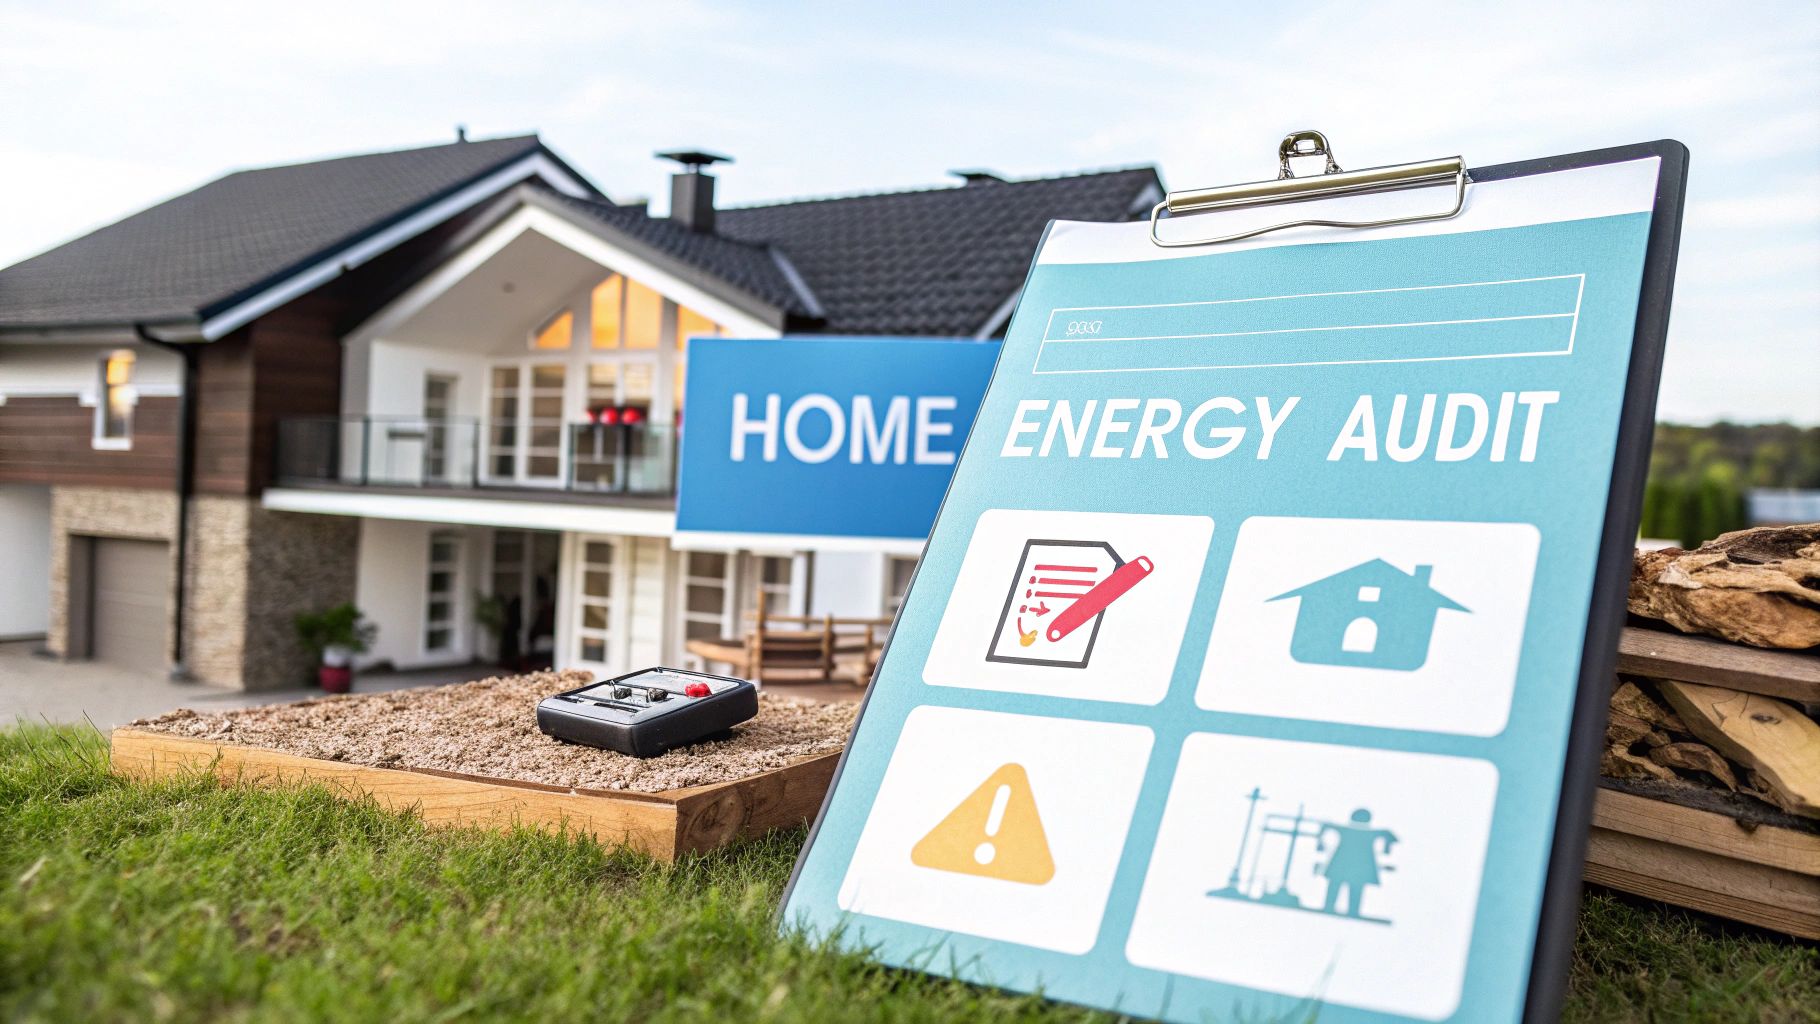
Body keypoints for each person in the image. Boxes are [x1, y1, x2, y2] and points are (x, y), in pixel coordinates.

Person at [1316, 808, 1397, 918]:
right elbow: (1389, 835)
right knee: (1351, 886)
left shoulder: (1347, 830)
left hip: (1345, 865)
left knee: (1343, 884)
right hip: (1355, 866)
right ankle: (1343, 909)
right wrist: (1387, 848)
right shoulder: (1368, 833)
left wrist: (1320, 842)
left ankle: (1333, 907)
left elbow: (1326, 825)